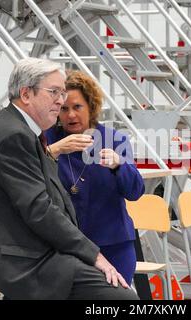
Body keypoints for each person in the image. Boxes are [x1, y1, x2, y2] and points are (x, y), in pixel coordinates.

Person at [0, 58, 138, 300]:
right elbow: (39, 210)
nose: (61, 102)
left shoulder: (18, 130)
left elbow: (135, 190)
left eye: (64, 94)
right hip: (23, 264)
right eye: (54, 92)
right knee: (124, 299)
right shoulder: (14, 136)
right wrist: (94, 256)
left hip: (34, 254)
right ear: (26, 94)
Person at [45, 70, 145, 285]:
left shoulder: (114, 139)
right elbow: (29, 172)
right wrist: (53, 151)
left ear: (91, 107)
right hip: (65, 248)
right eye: (64, 108)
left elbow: (135, 191)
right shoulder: (48, 139)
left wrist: (119, 165)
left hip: (112, 244)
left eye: (77, 107)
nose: (70, 115)